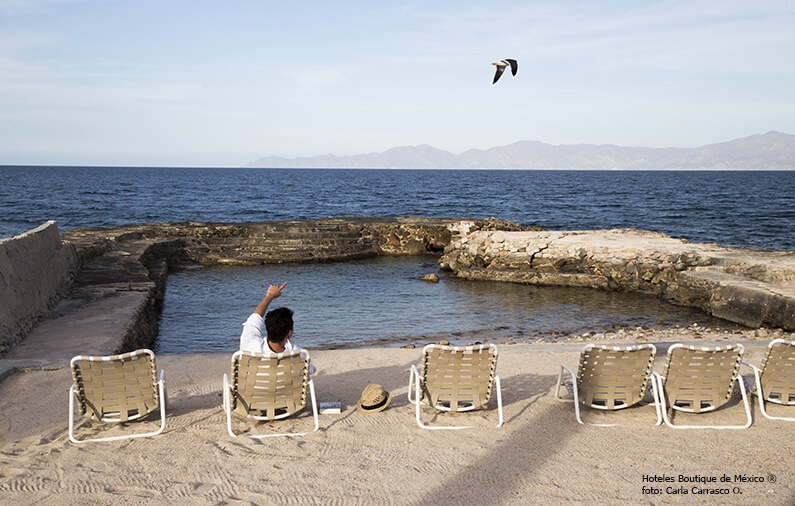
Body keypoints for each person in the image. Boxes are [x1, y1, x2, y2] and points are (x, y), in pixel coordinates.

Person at [239, 282, 316, 374]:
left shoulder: (251, 346)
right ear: (289, 333)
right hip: (287, 388)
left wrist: (270, 295)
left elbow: (254, 319)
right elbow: (311, 371)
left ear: (267, 327)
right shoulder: (299, 355)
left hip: (251, 388)